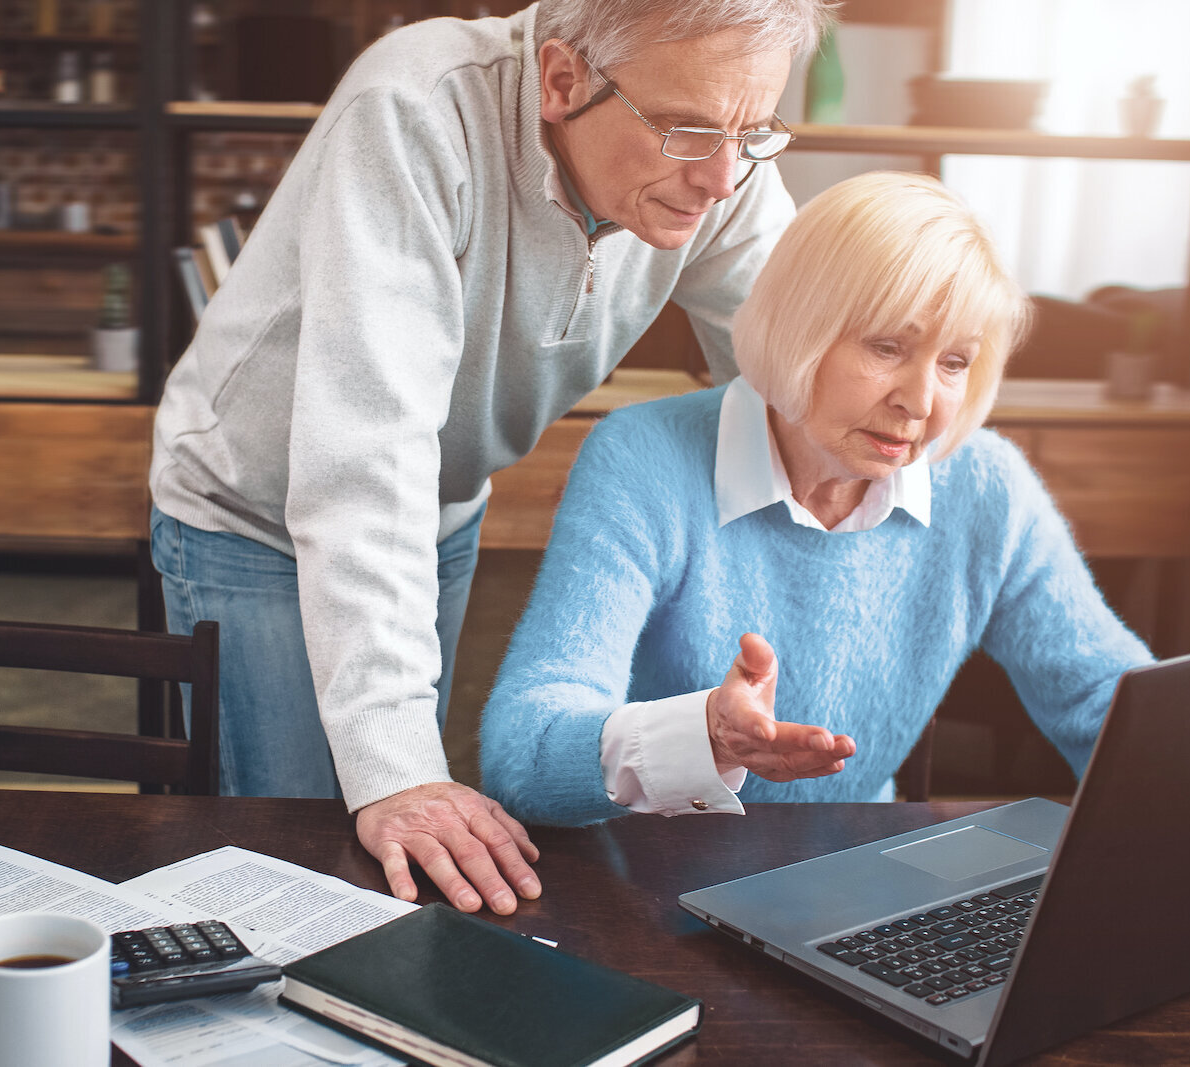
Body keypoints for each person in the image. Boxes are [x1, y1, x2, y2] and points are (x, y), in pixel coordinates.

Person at [149, 0, 838, 914]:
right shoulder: (417, 106)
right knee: (305, 854)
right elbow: (366, 459)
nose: (721, 177)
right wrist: (393, 771)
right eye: (685, 131)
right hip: (255, 507)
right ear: (561, 80)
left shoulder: (720, 160)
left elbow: (798, 356)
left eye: (752, 133)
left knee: (400, 851)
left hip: (438, 499)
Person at [479, 171, 1154, 826]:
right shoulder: (642, 456)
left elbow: (1108, 700)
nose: (920, 402)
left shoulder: (985, 486)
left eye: (954, 362)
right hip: (649, 877)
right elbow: (524, 751)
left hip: (858, 871)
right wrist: (705, 736)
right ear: (798, 327)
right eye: (888, 346)